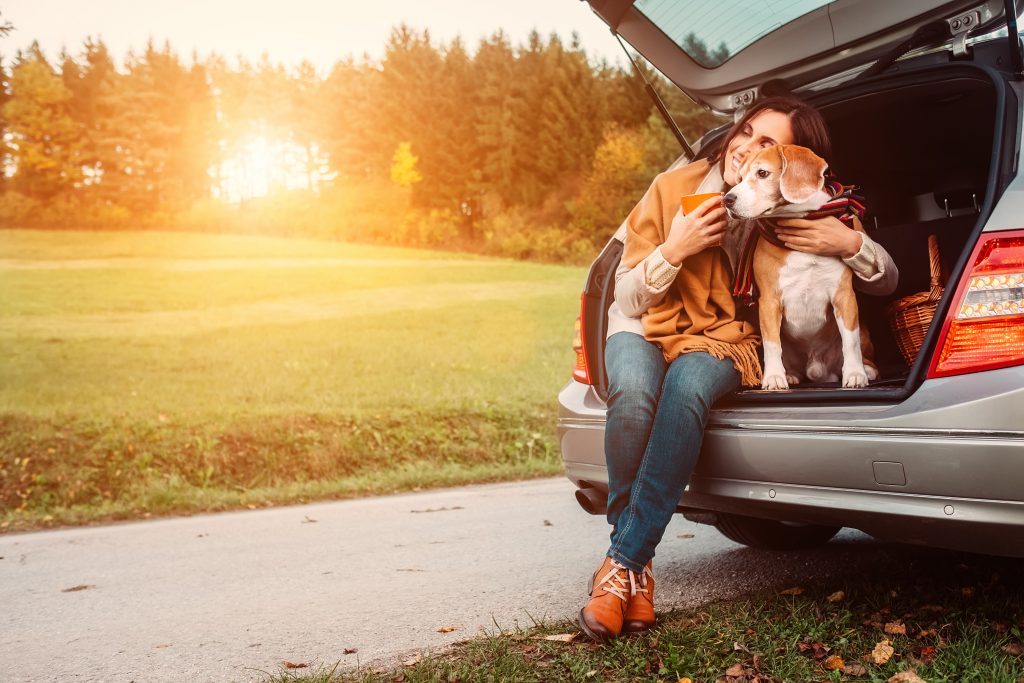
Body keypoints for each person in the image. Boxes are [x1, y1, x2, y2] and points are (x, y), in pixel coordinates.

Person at [578, 96, 898, 643]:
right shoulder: (671, 189)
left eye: (766, 143)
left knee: (687, 390)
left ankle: (620, 568)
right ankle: (634, 569)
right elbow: (626, 298)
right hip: (644, 323)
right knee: (632, 393)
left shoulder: (790, 210)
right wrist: (674, 249)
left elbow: (886, 281)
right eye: (746, 131)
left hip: (726, 339)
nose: (746, 147)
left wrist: (849, 242)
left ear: (791, 161)